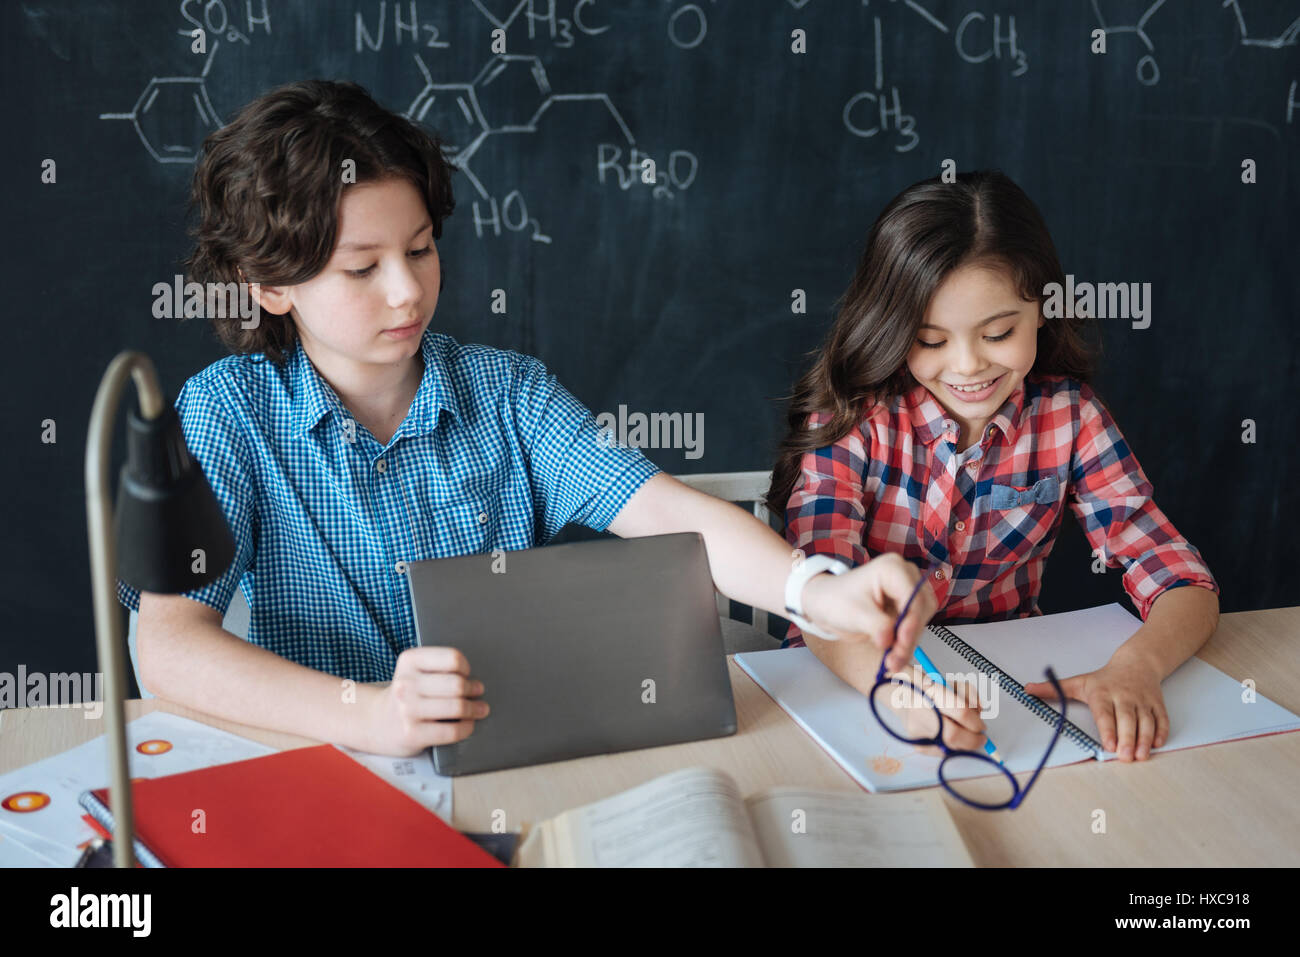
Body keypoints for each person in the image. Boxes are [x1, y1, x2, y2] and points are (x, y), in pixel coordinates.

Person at [118, 79, 935, 757]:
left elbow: (667, 511)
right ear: (269, 284)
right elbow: (168, 644)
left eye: (421, 249)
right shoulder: (226, 411)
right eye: (362, 268)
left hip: (513, 759)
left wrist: (818, 590)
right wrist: (366, 712)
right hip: (330, 764)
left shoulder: (508, 393)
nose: (406, 291)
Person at [767, 170, 1219, 763]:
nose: (968, 365)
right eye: (929, 341)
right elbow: (819, 596)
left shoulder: (1071, 418)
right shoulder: (852, 421)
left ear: (1043, 312)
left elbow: (1180, 578)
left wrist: (1138, 665)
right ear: (893, 329)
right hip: (849, 685)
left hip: (1010, 687)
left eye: (999, 332)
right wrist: (906, 694)